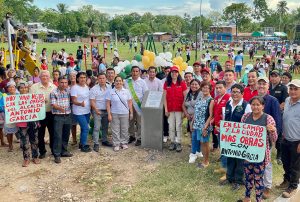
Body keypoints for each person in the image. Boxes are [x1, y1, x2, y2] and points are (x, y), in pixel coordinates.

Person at [240, 96, 277, 202]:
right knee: (248, 176)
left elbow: (274, 139)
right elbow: (240, 133)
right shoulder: (245, 116)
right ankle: (247, 197)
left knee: (258, 178)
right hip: (247, 152)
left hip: (260, 155)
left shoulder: (268, 118)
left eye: (258, 105)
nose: (255, 107)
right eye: (253, 104)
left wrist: (273, 131)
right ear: (250, 105)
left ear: (263, 106)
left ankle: (258, 199)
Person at [220, 84, 251, 190]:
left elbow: (249, 122)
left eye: (237, 92)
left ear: (242, 93)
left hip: (241, 138)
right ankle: (229, 177)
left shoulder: (246, 106)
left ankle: (238, 180)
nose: (235, 94)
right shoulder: (228, 103)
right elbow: (226, 119)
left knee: (239, 159)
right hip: (229, 137)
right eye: (233, 91)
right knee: (230, 156)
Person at [257, 76, 282, 199]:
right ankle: (257, 181)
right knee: (256, 160)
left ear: (268, 86)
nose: (261, 86)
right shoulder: (254, 99)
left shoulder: (272, 100)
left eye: (264, 84)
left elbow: (277, 120)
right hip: (254, 138)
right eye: (259, 84)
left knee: (266, 162)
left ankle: (267, 186)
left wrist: (275, 137)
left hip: (266, 138)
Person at [279, 79, 300, 198]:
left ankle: (293, 185)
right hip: (285, 138)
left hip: (297, 140)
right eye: (291, 89)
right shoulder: (287, 100)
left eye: (295, 89)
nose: (292, 91)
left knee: (295, 166)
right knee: (285, 162)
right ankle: (286, 179)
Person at [30, 70, 56, 159]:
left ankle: (53, 149)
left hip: (51, 113)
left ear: (49, 77)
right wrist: (39, 100)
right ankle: (42, 151)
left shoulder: (54, 87)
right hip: (39, 114)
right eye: (43, 76)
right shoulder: (34, 87)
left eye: (47, 76)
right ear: (40, 77)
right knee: (40, 134)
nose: (45, 77)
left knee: (53, 133)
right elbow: (30, 100)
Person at [164, 66, 188, 152]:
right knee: (171, 126)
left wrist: (185, 110)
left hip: (179, 109)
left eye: (176, 72)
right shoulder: (167, 83)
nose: (174, 74)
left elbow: (185, 97)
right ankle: (172, 142)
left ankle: (178, 142)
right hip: (170, 109)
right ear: (170, 73)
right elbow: (164, 98)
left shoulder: (182, 83)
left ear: (178, 73)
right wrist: (166, 109)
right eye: (172, 72)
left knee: (178, 126)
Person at [190, 81, 214, 167]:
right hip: (197, 124)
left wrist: (205, 127)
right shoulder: (200, 99)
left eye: (207, 88)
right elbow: (196, 112)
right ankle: (204, 159)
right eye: (203, 87)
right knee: (201, 142)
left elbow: (211, 115)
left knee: (205, 143)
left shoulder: (211, 100)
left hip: (204, 125)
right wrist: (192, 122)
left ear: (210, 89)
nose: (205, 89)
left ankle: (206, 161)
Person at [17, 81, 40, 167]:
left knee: (35, 140)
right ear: (19, 89)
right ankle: (26, 158)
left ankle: (35, 156)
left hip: (33, 122)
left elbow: (39, 107)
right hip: (22, 124)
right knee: (24, 141)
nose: (24, 89)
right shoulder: (15, 99)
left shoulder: (33, 97)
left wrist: (42, 101)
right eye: (21, 88)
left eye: (25, 87)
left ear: (28, 88)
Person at [106, 76, 133, 151]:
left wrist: (131, 113)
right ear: (114, 82)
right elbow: (108, 104)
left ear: (122, 82)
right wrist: (109, 114)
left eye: (120, 81)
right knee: (115, 129)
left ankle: (124, 143)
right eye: (117, 81)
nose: (118, 82)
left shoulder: (126, 91)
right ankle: (116, 144)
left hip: (125, 113)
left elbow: (130, 102)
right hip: (114, 113)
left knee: (124, 128)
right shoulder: (110, 91)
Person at [50, 76, 73, 164]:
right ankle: (57, 154)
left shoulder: (68, 91)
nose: (64, 84)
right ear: (58, 83)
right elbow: (53, 104)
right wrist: (60, 108)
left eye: (65, 82)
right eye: (62, 82)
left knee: (66, 134)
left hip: (67, 116)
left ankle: (64, 151)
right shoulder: (54, 92)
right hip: (58, 116)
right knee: (58, 135)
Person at [124, 66, 148, 146]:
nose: (135, 73)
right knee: (130, 122)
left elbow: (146, 94)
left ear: (139, 72)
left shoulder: (143, 82)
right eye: (133, 71)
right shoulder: (127, 81)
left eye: (137, 71)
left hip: (139, 105)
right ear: (131, 72)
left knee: (140, 122)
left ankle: (139, 138)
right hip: (129, 106)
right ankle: (132, 136)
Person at [90, 73, 112, 152]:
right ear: (97, 79)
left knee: (105, 127)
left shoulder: (110, 87)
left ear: (106, 79)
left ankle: (104, 140)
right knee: (97, 127)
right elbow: (92, 101)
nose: (102, 80)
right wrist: (96, 110)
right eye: (100, 78)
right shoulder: (94, 89)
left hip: (106, 110)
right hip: (97, 110)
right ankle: (96, 143)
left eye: (103, 78)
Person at [213, 80, 231, 178]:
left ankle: (227, 171)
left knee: (226, 148)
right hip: (218, 127)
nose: (218, 90)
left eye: (220, 88)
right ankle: (223, 166)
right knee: (221, 147)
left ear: (225, 88)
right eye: (217, 88)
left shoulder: (229, 98)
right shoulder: (216, 99)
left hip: (226, 128)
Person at [71, 72, 91, 152]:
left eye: (84, 77)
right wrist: (80, 104)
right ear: (77, 79)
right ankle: (83, 145)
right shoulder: (74, 88)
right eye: (81, 77)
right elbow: (73, 100)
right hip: (78, 111)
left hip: (87, 111)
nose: (83, 79)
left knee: (84, 128)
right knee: (86, 128)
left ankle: (81, 143)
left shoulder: (86, 86)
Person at [183, 79, 202, 162]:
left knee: (197, 135)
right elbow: (183, 104)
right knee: (193, 134)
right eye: (192, 84)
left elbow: (200, 107)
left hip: (198, 117)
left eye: (196, 84)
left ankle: (194, 153)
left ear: (199, 85)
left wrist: (194, 116)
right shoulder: (188, 93)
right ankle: (197, 150)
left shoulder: (201, 94)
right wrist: (186, 114)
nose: (194, 86)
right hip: (189, 117)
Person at [4, 81, 18, 152]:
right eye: (9, 87)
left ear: (15, 88)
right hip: (9, 116)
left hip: (19, 116)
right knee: (9, 132)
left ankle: (23, 145)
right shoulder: (5, 96)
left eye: (13, 87)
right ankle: (10, 145)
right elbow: (1, 106)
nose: (11, 88)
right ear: (7, 88)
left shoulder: (20, 95)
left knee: (21, 131)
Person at [68, 71, 78, 145]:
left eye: (74, 76)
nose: (72, 77)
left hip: (79, 106)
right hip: (70, 106)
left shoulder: (79, 86)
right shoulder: (67, 87)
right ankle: (74, 139)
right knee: (72, 124)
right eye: (71, 76)